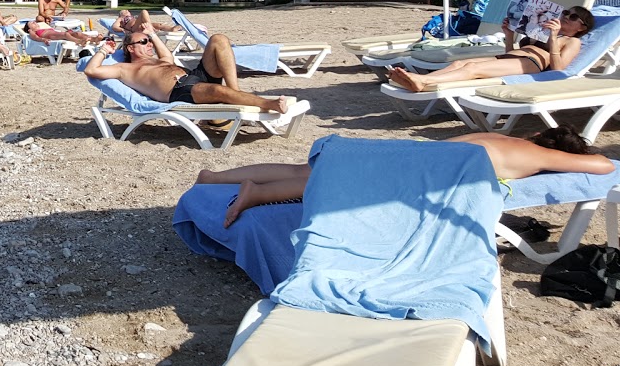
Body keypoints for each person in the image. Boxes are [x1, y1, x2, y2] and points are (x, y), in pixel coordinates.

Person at [199, 126, 613, 227]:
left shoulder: (502, 136)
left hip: (397, 150)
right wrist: (570, 156)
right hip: (409, 167)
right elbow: (604, 166)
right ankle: (253, 195)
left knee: (304, 170)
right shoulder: (538, 154)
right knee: (322, 183)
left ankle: (215, 177)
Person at [84, 26, 290, 113]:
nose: (149, 44)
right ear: (130, 47)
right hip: (179, 91)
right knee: (217, 91)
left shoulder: (157, 59)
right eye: (144, 41)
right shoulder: (123, 69)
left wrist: (152, 34)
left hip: (194, 77)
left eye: (149, 41)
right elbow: (91, 71)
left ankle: (236, 91)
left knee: (218, 39)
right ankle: (269, 104)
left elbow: (168, 57)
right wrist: (103, 50)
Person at [387, 7, 595, 92]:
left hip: (531, 65)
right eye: (566, 13)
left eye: (574, 17)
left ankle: (423, 81)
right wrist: (509, 35)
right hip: (512, 58)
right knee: (460, 64)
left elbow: (557, 71)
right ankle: (418, 81)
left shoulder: (571, 41)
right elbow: (513, 51)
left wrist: (552, 37)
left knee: (472, 70)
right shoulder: (544, 31)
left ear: (582, 28)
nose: (567, 17)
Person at [22, 19, 100, 48]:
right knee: (66, 35)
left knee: (77, 33)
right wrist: (43, 39)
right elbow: (35, 38)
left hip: (57, 33)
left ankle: (94, 39)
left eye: (34, 22)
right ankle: (79, 42)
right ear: (29, 29)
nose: (34, 22)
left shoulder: (43, 27)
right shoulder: (32, 32)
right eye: (32, 23)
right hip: (52, 36)